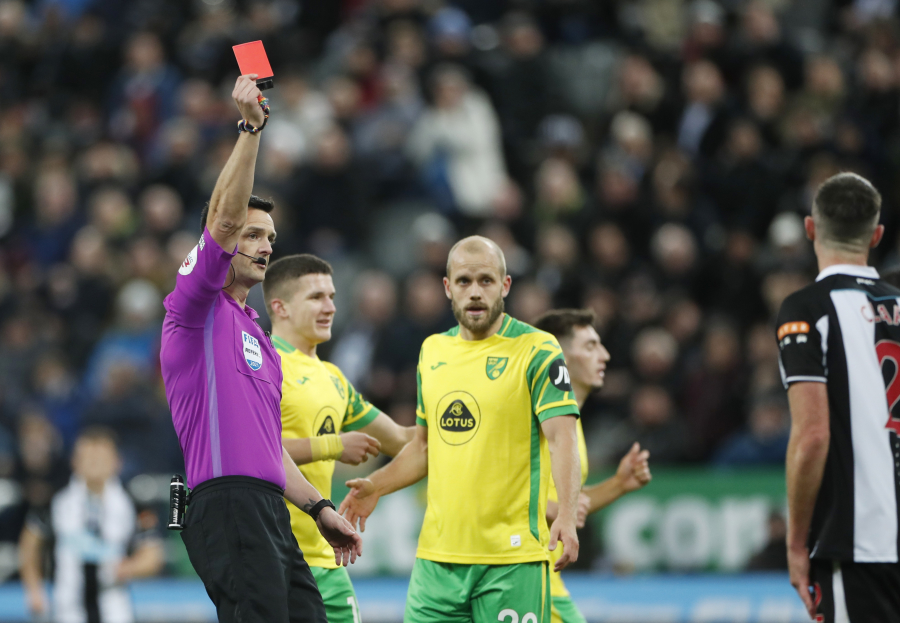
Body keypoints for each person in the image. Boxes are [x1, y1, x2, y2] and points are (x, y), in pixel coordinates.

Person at [159, 74, 361, 623]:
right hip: (225, 502)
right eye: (253, 235)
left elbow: (269, 446)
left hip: (270, 508)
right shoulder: (193, 307)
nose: (265, 245)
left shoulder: (262, 341)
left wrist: (318, 508)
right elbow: (223, 219)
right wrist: (250, 129)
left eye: (270, 237)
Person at [340, 236, 583, 622]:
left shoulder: (538, 350)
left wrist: (567, 516)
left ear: (504, 286)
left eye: (486, 281)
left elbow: (562, 438)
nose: (474, 292)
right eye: (464, 281)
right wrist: (378, 486)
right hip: (436, 561)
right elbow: (424, 447)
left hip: (511, 559)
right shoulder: (432, 351)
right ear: (447, 287)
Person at [262, 253, 415, 622]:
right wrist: (333, 445)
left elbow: (400, 439)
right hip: (273, 555)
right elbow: (253, 449)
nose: (330, 306)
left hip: (327, 557)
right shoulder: (262, 362)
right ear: (279, 306)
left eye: (331, 296)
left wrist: (472, 427)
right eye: (316, 297)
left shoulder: (333, 377)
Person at [776, 172, 900, 622]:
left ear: (810, 228)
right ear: (877, 235)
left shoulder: (806, 310)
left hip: (857, 544)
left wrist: (795, 542)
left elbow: (812, 436)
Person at [534, 309, 652, 623]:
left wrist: (618, 484)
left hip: (543, 574)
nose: (605, 355)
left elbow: (567, 505)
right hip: (520, 571)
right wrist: (545, 507)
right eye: (590, 346)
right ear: (558, 354)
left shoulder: (571, 422)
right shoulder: (530, 414)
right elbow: (487, 482)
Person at [18, 427, 164, 623]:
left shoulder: (133, 503)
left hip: (115, 610)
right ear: (74, 461)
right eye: (88, 457)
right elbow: (29, 545)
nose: (94, 463)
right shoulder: (55, 500)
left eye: (101, 457)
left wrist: (127, 568)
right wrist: (34, 590)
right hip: (67, 610)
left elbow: (152, 554)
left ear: (117, 462)